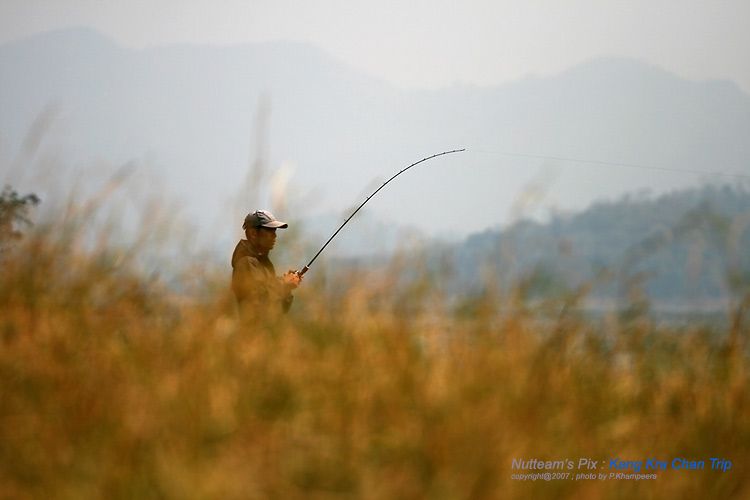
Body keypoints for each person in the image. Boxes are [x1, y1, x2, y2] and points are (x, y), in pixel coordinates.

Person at [231, 210, 302, 318]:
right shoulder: (245, 262)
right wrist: (283, 283)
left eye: (275, 231)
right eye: (269, 231)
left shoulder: (264, 263)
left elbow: (279, 309)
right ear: (253, 233)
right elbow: (256, 300)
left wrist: (287, 289)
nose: (275, 236)